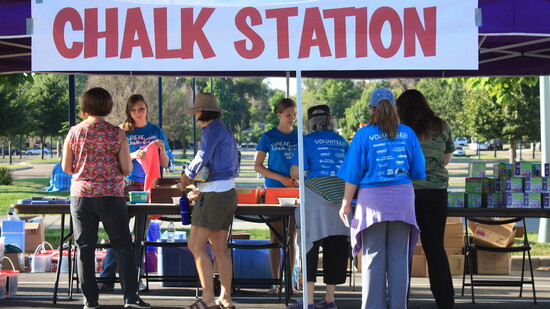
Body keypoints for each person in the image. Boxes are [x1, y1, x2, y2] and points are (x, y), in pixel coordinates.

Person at [337, 88, 426, 309]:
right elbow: (418, 170)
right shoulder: (408, 133)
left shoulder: (363, 134)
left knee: (372, 257)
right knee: (398, 258)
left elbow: (353, 173)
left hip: (372, 201)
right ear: (394, 107)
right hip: (402, 199)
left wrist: (346, 203)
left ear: (372, 109)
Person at [62, 87, 150, 309]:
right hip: (111, 194)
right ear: (108, 106)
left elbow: (66, 167)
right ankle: (130, 297)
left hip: (82, 196)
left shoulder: (74, 132)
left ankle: (90, 300)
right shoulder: (117, 133)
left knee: (85, 248)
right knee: (122, 246)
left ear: (85, 107)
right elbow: (127, 168)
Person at [99, 94, 170, 292]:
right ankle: (107, 276)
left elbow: (165, 163)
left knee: (140, 235)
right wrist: (132, 154)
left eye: (141, 109)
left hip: (150, 187)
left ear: (147, 108)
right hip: (127, 185)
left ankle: (134, 278)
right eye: (134, 110)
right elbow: (113, 159)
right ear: (129, 112)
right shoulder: (123, 131)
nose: (138, 113)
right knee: (119, 232)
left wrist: (162, 151)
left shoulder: (156, 131)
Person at [396, 89, 456, 308]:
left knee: (403, 251)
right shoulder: (441, 125)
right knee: (435, 249)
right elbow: (446, 159)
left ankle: (400, 300)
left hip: (405, 193)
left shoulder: (399, 129)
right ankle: (445, 302)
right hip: (435, 192)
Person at [288, 105, 350, 309]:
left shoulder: (305, 140)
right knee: (337, 246)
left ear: (310, 123)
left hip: (314, 195)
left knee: (309, 247)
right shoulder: (341, 141)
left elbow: (296, 172)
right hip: (341, 195)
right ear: (331, 120)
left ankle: (309, 301)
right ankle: (330, 299)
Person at [180, 93, 239, 309]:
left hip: (214, 194)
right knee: (220, 248)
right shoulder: (224, 130)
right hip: (227, 192)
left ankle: (207, 297)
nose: (195, 114)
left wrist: (186, 176)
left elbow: (202, 156)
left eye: (196, 111)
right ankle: (225, 297)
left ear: (202, 112)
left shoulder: (212, 130)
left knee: (195, 245)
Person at [254, 98, 298, 293]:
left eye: (294, 115)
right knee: (275, 236)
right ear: (279, 115)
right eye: (288, 115)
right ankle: (275, 282)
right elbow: (258, 166)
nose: (292, 118)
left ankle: (289, 281)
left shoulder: (299, 136)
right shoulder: (268, 136)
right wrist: (281, 178)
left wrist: (298, 178)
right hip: (274, 190)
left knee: (291, 237)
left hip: (295, 190)